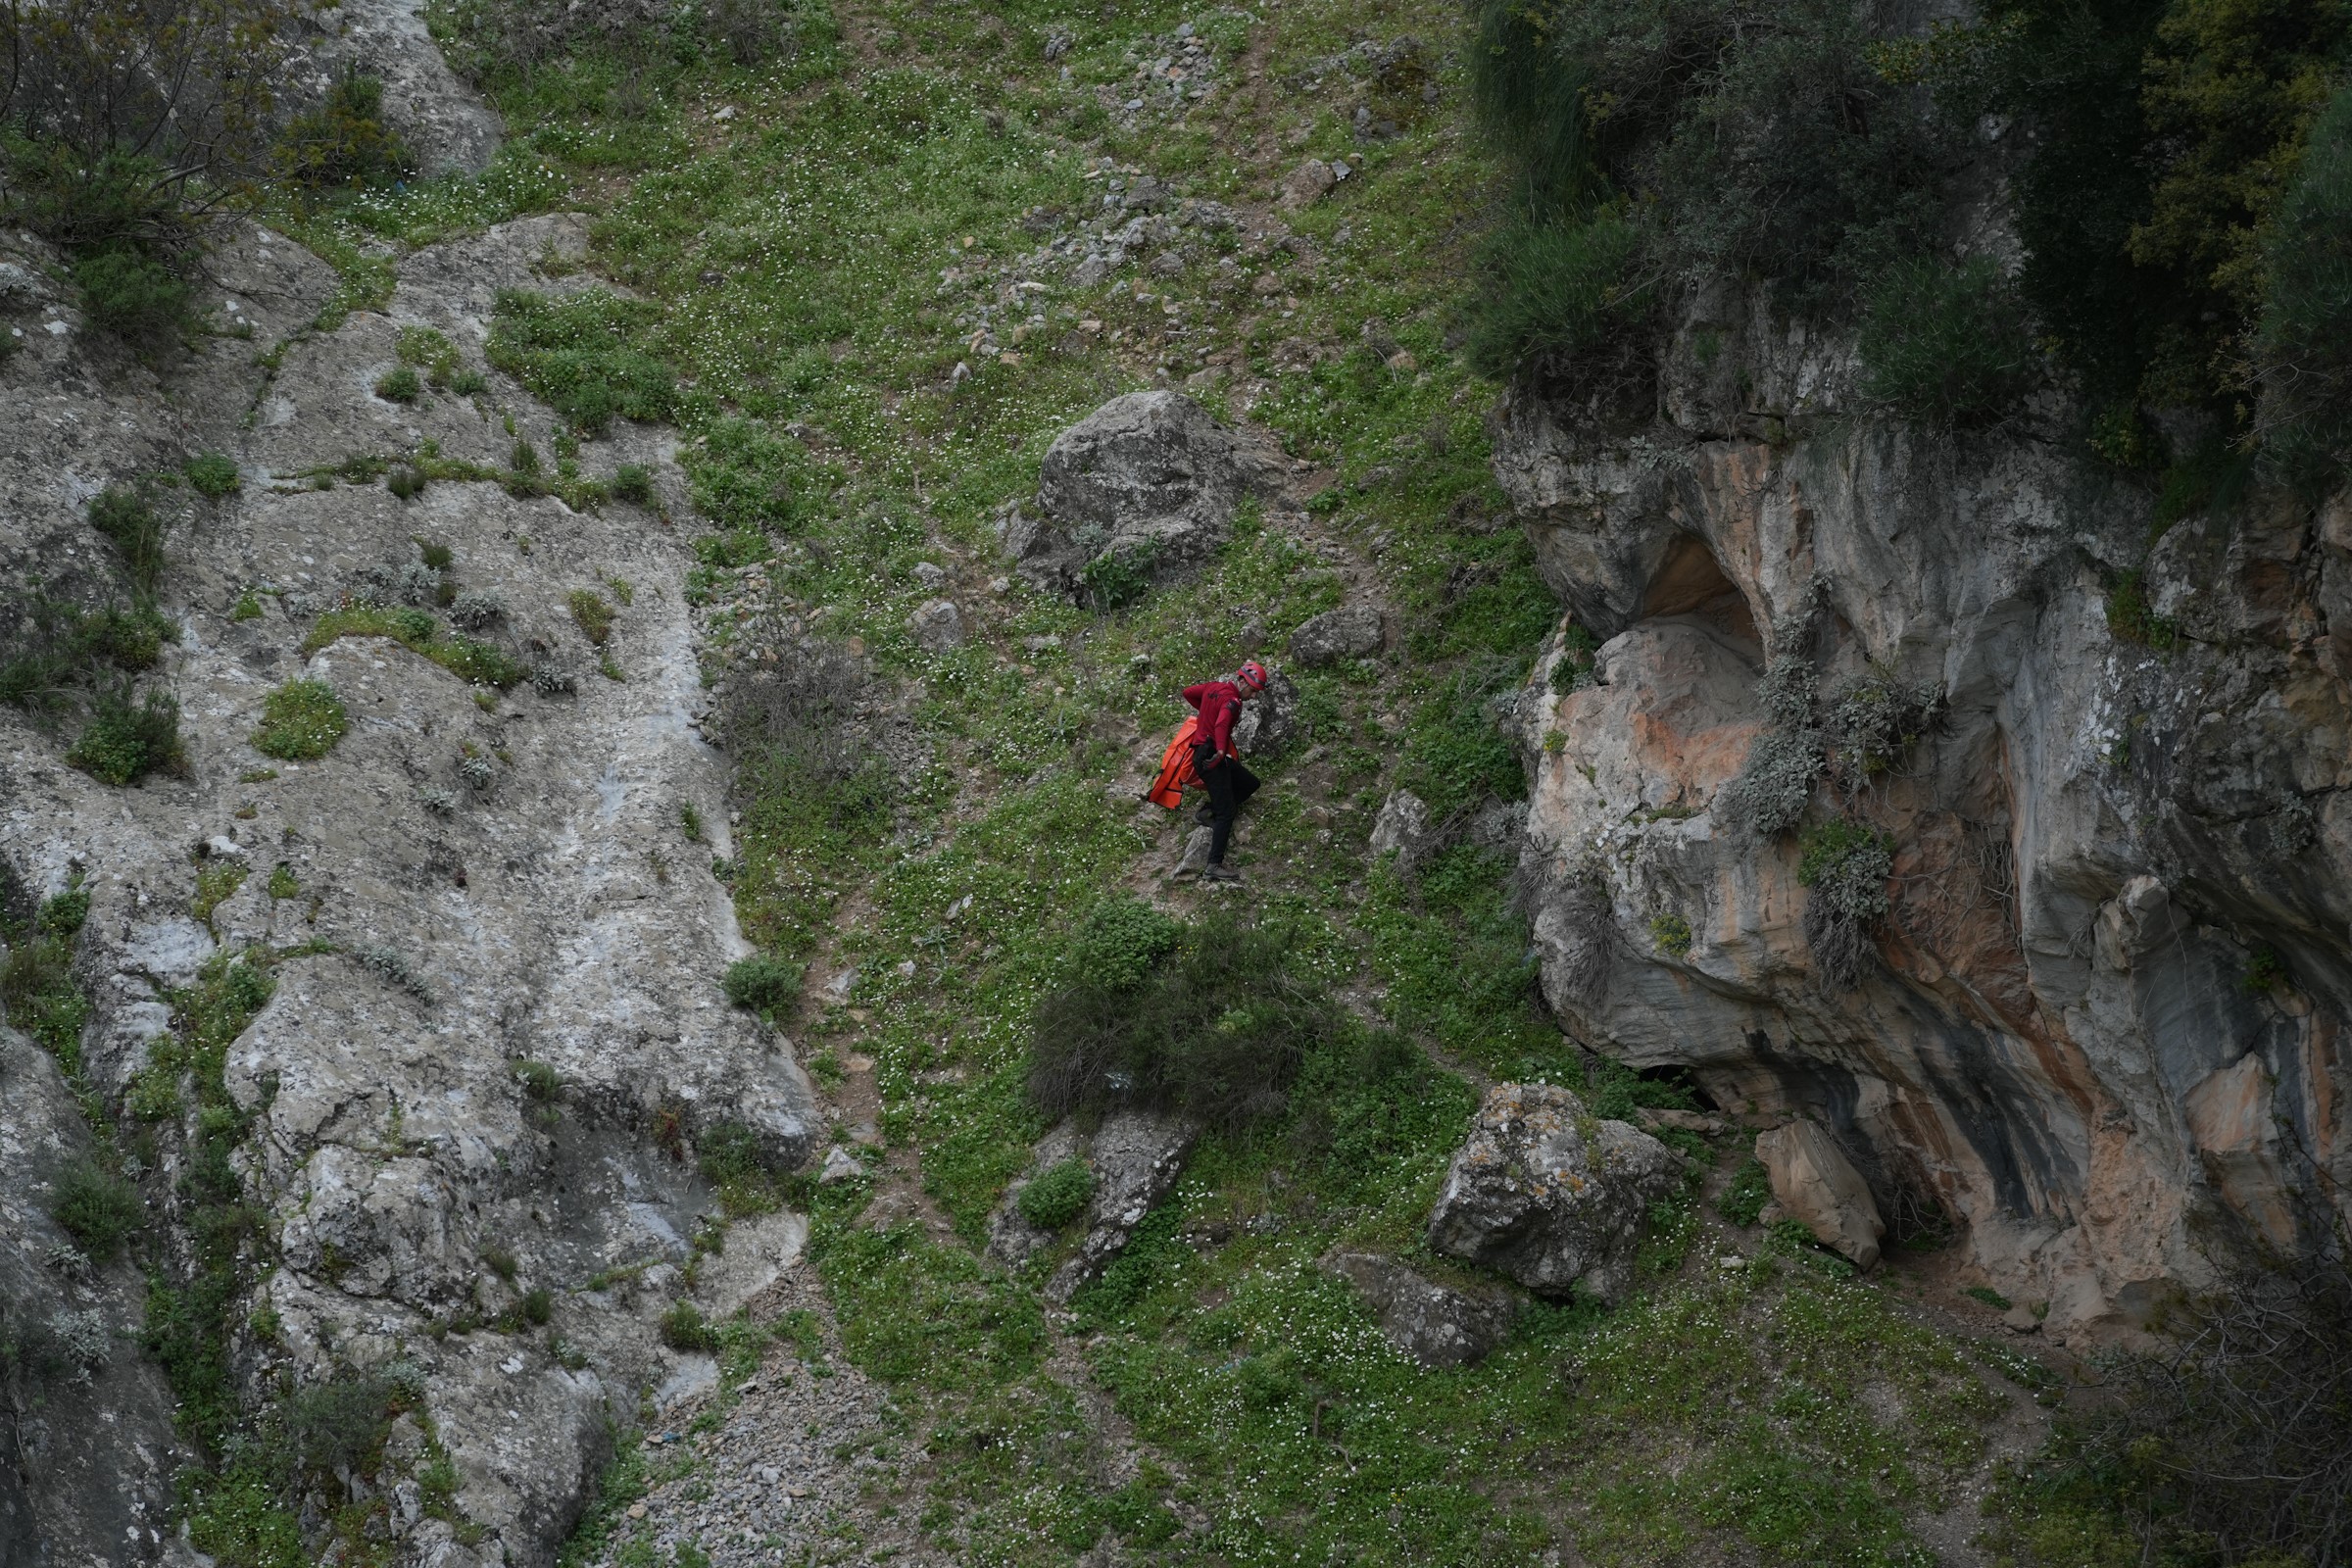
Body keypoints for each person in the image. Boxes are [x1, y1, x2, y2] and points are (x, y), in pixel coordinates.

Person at [1181, 661, 1268, 883]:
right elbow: (1221, 725)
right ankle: (1213, 865)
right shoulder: (1233, 701)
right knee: (1227, 812)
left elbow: (1188, 693)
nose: (1253, 696)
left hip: (1204, 753)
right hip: (1211, 756)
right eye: (1253, 690)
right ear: (1241, 681)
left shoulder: (1213, 687)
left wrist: (1205, 714)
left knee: (1250, 783)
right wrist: (1220, 751)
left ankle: (1206, 812)